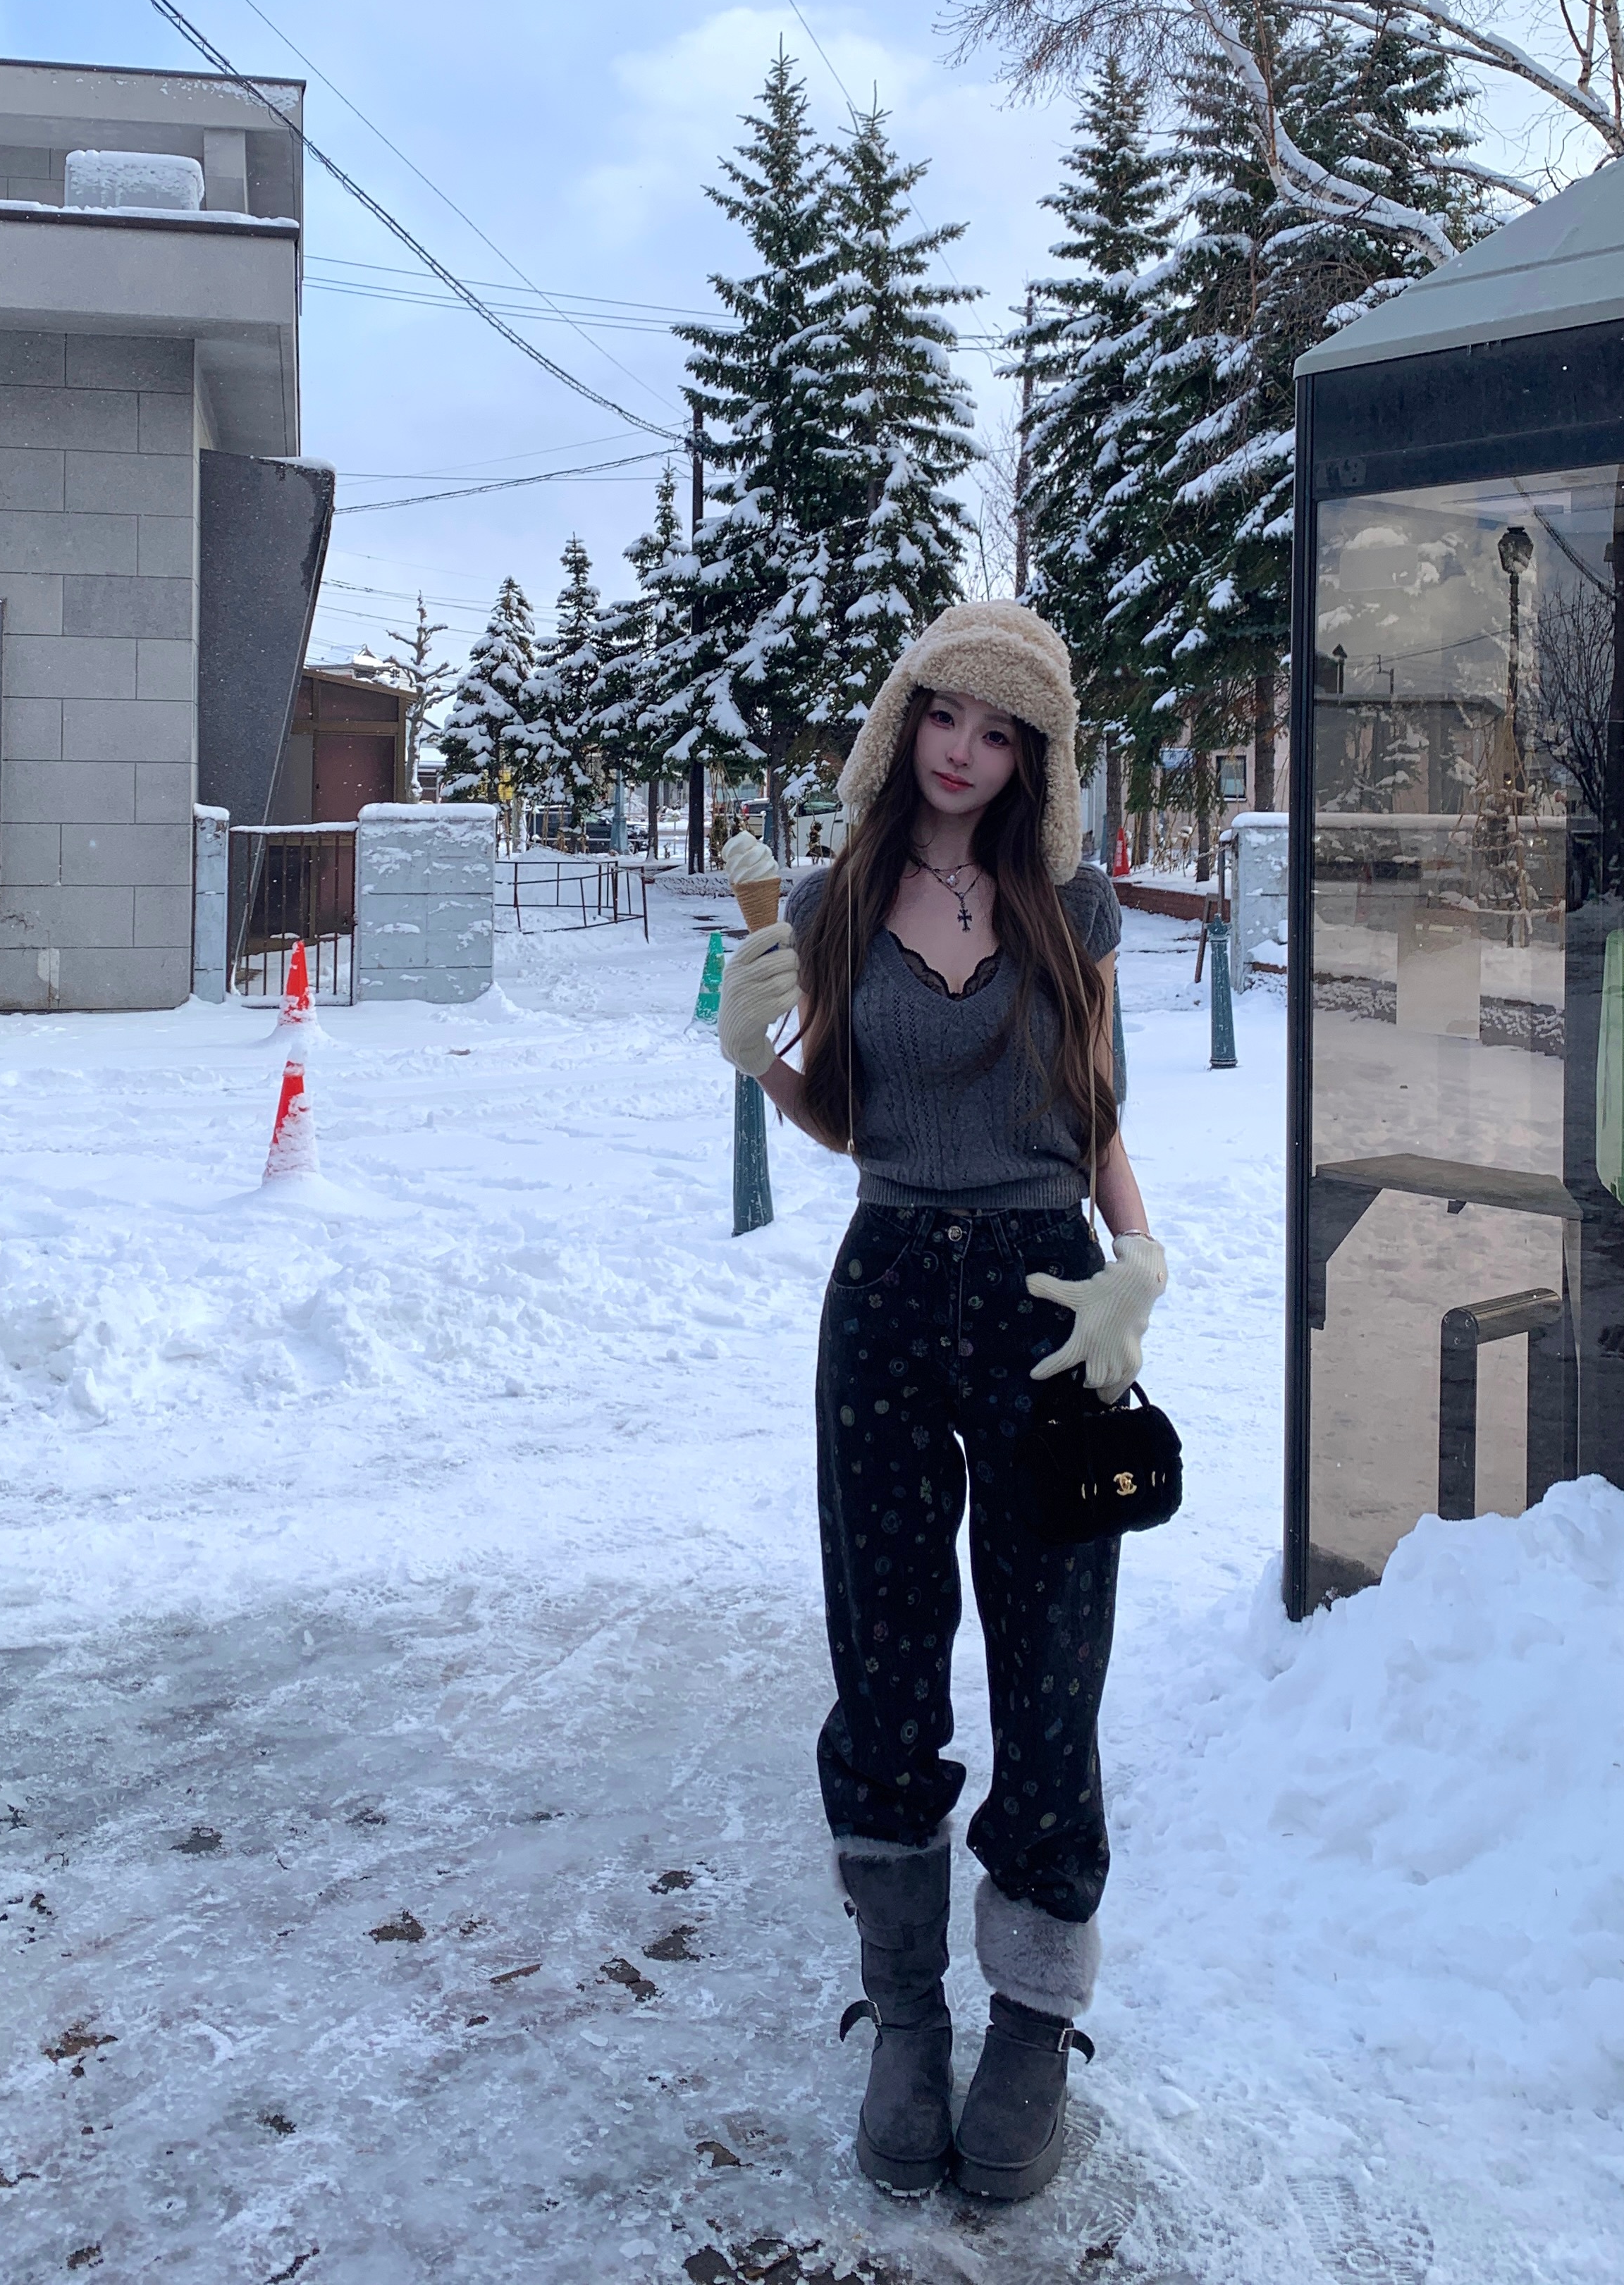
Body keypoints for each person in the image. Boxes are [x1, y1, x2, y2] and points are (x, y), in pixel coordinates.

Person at [716, 601, 1166, 2205]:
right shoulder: (835, 899)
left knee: (1051, 1657)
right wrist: (759, 1059)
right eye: (943, 714)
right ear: (903, 721)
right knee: (886, 1647)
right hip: (891, 1288)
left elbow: (1093, 1110)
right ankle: (906, 2010)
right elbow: (853, 1113)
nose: (964, 749)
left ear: (1034, 756)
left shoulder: (1071, 907)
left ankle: (1030, 2017)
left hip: (1051, 1293)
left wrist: (1138, 1257)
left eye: (998, 729)